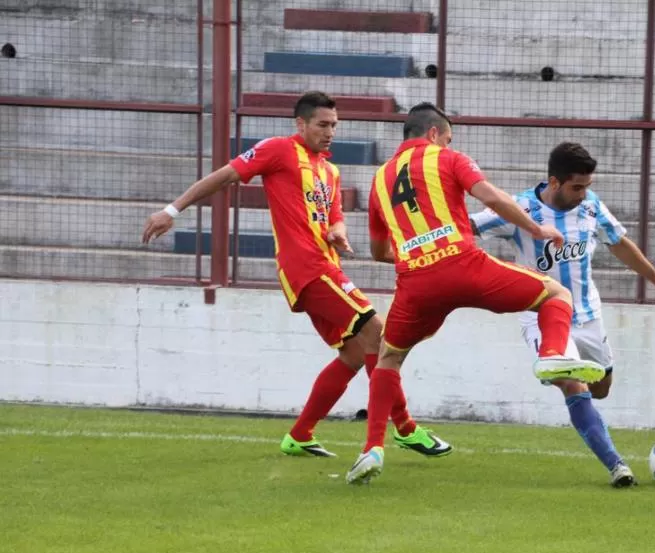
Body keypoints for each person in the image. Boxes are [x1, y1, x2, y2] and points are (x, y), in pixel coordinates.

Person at [141, 91, 452, 460]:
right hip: (306, 269)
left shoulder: (330, 170)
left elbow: (334, 216)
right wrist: (172, 211)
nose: (330, 132)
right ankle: (406, 429)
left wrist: (338, 232)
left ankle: (300, 435)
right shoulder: (277, 150)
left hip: (327, 266)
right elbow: (225, 176)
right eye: (322, 124)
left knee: (355, 354)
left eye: (334, 125)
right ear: (300, 124)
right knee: (379, 334)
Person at [345, 103, 608, 484]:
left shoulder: (379, 180)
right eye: (448, 136)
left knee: (388, 358)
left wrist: (418, 256)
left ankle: (372, 450)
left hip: (415, 280)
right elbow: (494, 199)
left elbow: (377, 251)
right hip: (463, 265)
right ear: (434, 134)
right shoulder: (448, 158)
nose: (449, 142)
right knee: (554, 294)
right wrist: (536, 230)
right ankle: (551, 354)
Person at [470, 142, 655, 487]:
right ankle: (618, 467)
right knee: (573, 385)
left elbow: (617, 241)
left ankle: (587, 409)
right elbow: (469, 225)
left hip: (588, 316)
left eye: (587, 186)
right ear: (554, 182)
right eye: (577, 187)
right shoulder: (521, 208)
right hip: (541, 315)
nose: (584, 193)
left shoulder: (590, 206)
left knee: (600, 388)